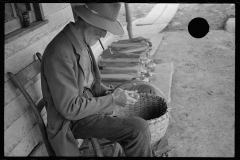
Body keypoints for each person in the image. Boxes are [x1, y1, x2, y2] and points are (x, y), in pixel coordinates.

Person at [40, 3, 153, 157]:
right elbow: (70, 109)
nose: (104, 34)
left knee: (146, 89)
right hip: (74, 121)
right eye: (103, 28)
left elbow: (91, 83)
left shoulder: (81, 40)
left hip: (91, 104)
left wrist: (111, 92)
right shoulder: (60, 52)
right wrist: (112, 100)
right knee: (139, 129)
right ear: (88, 21)